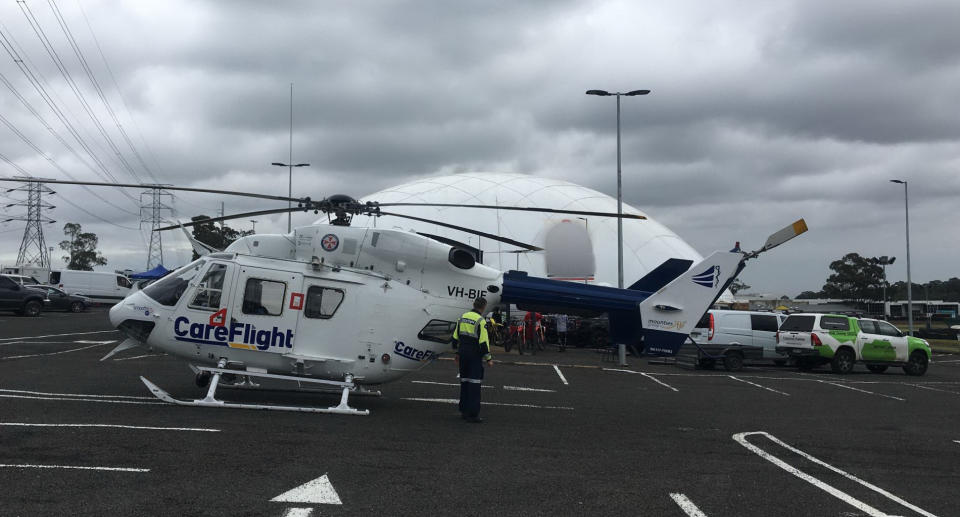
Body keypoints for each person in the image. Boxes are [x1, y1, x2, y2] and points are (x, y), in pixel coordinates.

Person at [452, 297, 492, 423]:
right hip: (474, 355)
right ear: (483, 307)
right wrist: (488, 359)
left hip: (463, 354)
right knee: (474, 384)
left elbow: (455, 338)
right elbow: (483, 343)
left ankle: (463, 411)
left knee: (464, 382)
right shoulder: (480, 321)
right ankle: (473, 414)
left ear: (474, 305)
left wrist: (457, 353)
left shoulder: (462, 317)